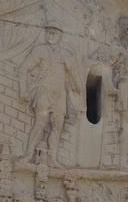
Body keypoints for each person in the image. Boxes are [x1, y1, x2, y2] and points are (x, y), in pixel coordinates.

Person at [18, 25, 82, 163]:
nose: (51, 35)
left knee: (57, 126)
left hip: (60, 93)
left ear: (60, 36)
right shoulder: (40, 50)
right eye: (49, 32)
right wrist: (22, 89)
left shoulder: (66, 54)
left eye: (54, 33)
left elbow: (76, 80)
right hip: (45, 89)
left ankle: (53, 159)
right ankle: (28, 154)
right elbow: (23, 68)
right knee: (40, 123)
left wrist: (78, 86)